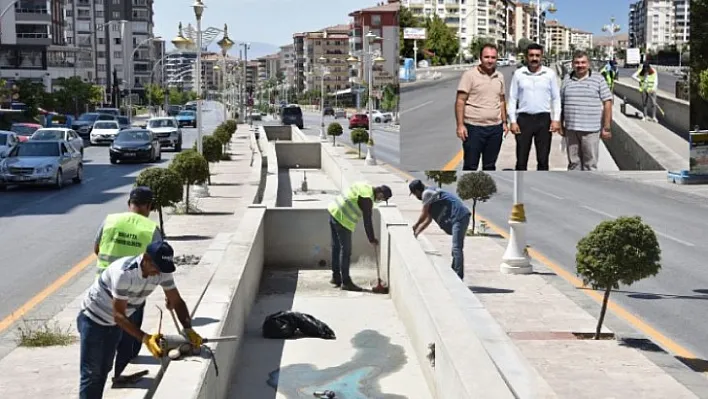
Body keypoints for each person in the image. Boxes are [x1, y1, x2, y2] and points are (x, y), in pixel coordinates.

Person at [77, 241, 202, 399]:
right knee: (91, 373)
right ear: (146, 259)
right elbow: (119, 315)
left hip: (114, 324)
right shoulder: (124, 273)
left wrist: (188, 329)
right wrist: (146, 339)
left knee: (104, 369)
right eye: (156, 268)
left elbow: (176, 301)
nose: (158, 273)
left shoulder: (162, 271)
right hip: (93, 319)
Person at [93, 186, 163, 385]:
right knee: (129, 336)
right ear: (149, 206)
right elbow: (159, 261)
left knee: (105, 337)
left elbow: (97, 249)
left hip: (101, 291)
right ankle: (120, 374)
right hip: (132, 293)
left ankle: (103, 376)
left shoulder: (110, 220)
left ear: (129, 204)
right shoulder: (151, 230)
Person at [327, 182, 392, 291]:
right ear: (380, 194)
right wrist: (371, 239)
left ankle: (336, 277)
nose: (380, 200)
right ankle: (346, 282)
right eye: (382, 198)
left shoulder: (365, 187)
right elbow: (367, 221)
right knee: (346, 251)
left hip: (334, 211)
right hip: (343, 219)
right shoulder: (367, 198)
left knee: (336, 247)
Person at [507, 43, 562, 170]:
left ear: (542, 56)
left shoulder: (549, 74)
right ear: (527, 57)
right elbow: (512, 98)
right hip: (523, 120)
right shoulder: (519, 74)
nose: (534, 58)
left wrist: (556, 119)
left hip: (544, 120)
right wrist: (513, 121)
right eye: (531, 55)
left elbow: (556, 98)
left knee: (543, 160)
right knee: (521, 159)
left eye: (537, 55)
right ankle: (520, 185)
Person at [455, 43, 508, 171]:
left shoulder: (499, 76)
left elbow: (501, 100)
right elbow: (460, 101)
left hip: (495, 129)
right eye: (487, 57)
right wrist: (460, 125)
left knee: (490, 166)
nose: (490, 60)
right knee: (470, 166)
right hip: (474, 129)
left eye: (493, 57)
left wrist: (504, 122)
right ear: (480, 58)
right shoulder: (469, 75)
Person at [560, 51, 613, 171]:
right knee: (574, 163)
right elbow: (561, 103)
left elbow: (608, 103)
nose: (580, 65)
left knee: (590, 164)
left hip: (591, 131)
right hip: (571, 130)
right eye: (577, 63)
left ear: (588, 64)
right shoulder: (566, 80)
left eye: (583, 62)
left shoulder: (598, 79)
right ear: (572, 64)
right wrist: (560, 123)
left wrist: (606, 127)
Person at [409, 179, 471, 280]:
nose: (416, 197)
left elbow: (424, 214)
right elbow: (428, 219)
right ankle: (454, 273)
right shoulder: (430, 194)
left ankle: (458, 277)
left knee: (456, 248)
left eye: (415, 194)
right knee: (455, 248)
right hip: (460, 217)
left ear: (417, 191)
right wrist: (417, 233)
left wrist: (415, 225)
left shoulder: (426, 193)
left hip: (459, 216)